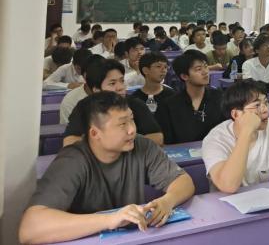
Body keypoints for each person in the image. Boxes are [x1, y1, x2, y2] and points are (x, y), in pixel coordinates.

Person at [19, 92, 194, 244]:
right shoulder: (72, 160)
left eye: (132, 120)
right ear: (95, 133)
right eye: (122, 124)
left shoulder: (141, 146)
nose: (132, 130)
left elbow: (183, 181)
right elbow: (29, 229)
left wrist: (167, 201)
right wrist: (110, 220)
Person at [63, 59, 163, 147]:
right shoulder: (84, 107)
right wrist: (107, 146)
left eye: (122, 81)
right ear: (97, 90)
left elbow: (157, 137)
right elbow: (70, 141)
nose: (121, 87)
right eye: (112, 83)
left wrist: (124, 144)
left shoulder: (135, 103)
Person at [155, 51, 225, 144]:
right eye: (198, 69)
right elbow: (167, 141)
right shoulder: (169, 105)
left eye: (205, 66)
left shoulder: (220, 98)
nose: (205, 72)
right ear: (184, 76)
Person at [59, 52, 99, 125]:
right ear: (85, 75)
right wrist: (68, 85)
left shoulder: (115, 96)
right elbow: (68, 130)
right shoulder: (71, 101)